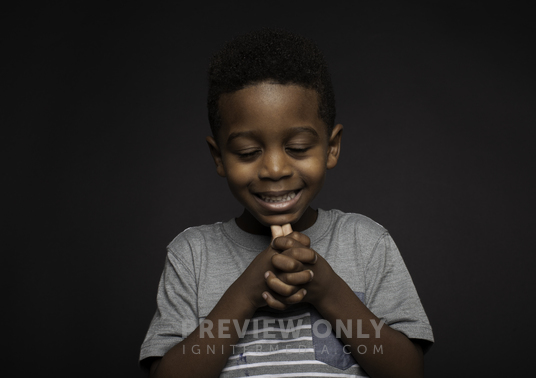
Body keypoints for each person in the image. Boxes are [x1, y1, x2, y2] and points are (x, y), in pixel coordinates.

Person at [140, 28, 434, 378]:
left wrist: (328, 292)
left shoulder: (366, 242)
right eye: (248, 152)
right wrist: (244, 295)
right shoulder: (192, 254)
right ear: (219, 157)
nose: (275, 169)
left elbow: (407, 371)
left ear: (332, 147)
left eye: (296, 148)